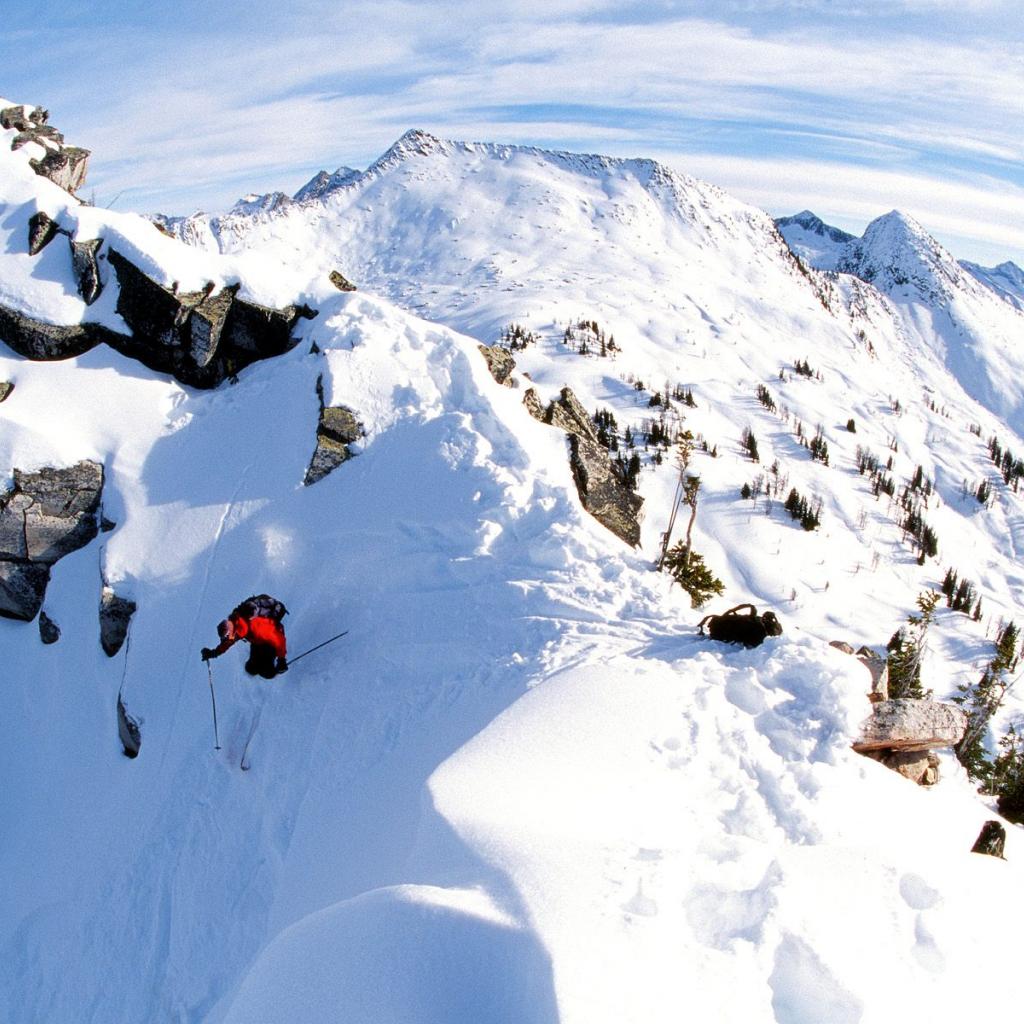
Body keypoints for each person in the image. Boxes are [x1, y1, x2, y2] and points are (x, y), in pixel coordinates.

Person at [201, 594, 288, 678]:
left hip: (269, 642)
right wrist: (214, 653)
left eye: (229, 637)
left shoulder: (256, 626)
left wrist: (281, 660)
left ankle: (274, 671)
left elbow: (279, 639)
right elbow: (228, 642)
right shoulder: (236, 625)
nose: (230, 639)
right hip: (257, 641)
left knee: (267, 672)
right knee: (251, 668)